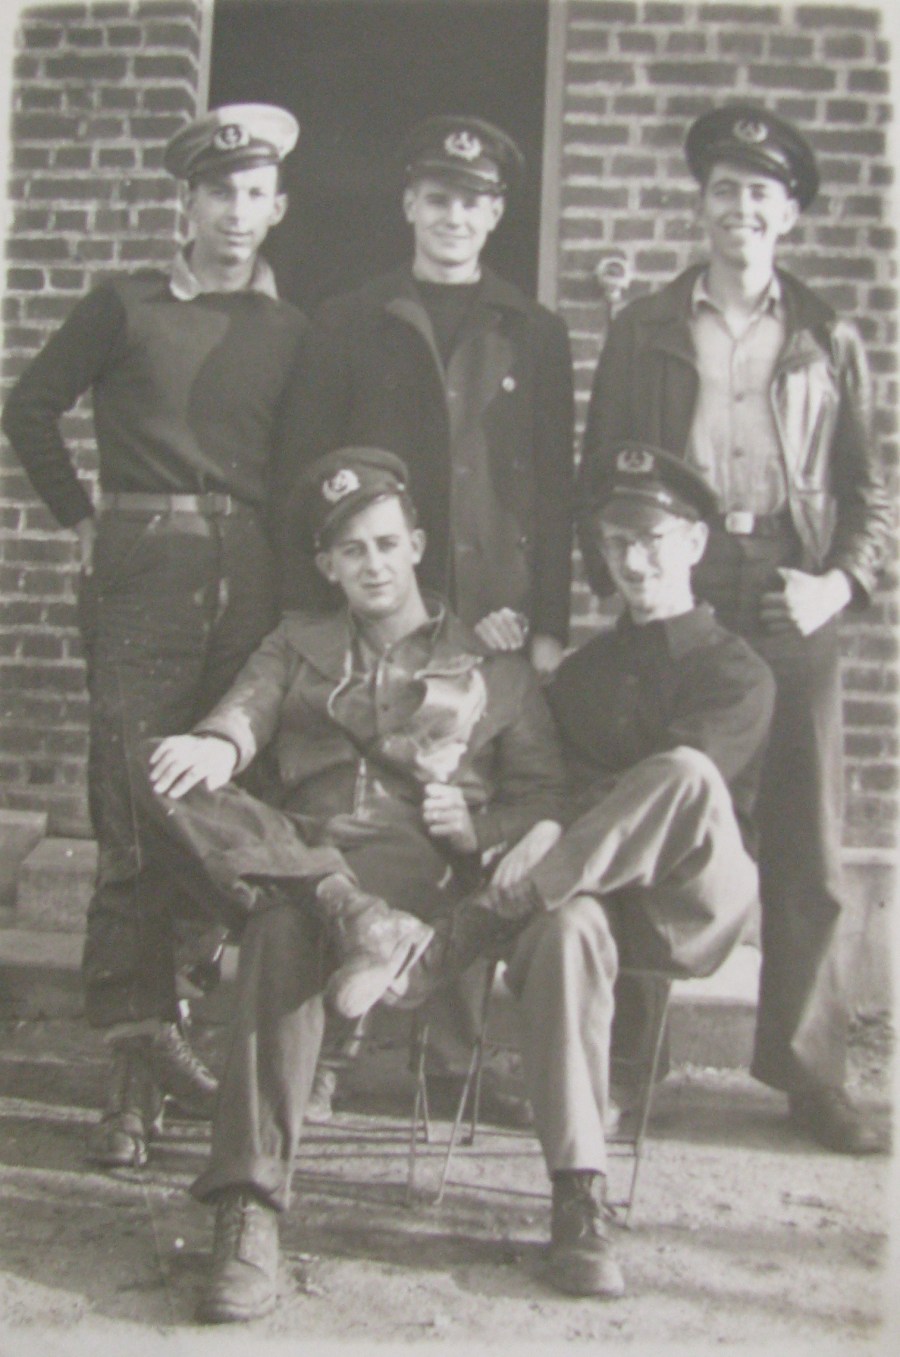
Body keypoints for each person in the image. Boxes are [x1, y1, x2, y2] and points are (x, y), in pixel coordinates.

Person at [135, 447, 565, 1322]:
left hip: (415, 885)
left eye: (385, 543)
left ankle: (247, 1209)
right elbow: (243, 717)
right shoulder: (295, 643)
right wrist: (215, 744)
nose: (372, 564)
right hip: (303, 856)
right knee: (155, 774)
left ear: (416, 544)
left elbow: (548, 796)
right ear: (326, 565)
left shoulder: (488, 662)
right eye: (350, 550)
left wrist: (480, 828)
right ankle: (346, 911)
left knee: (281, 932)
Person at [577, 103, 891, 1156]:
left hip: (790, 590)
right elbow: (599, 476)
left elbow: (870, 494)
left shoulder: (826, 334)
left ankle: (808, 1077)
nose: (740, 209)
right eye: (723, 190)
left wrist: (836, 584)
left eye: (761, 194)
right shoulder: (646, 327)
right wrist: (632, 588)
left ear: (788, 215)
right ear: (701, 206)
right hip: (683, 587)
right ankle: (630, 1062)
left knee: (805, 841)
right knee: (661, 804)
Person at [2, 103, 308, 1168]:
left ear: (278, 210)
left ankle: (168, 1036)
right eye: (216, 191)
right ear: (184, 204)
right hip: (143, 566)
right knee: (135, 810)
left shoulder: (287, 329)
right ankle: (130, 1084)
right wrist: (83, 519)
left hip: (252, 571)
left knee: (213, 808)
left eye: (254, 194)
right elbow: (29, 407)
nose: (235, 211)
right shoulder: (122, 305)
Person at [398, 443, 776, 1298]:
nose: (633, 561)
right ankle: (578, 1196)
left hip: (690, 902)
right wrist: (517, 806)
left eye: (652, 540)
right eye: (615, 543)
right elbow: (539, 779)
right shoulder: (582, 672)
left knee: (682, 772)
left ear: (695, 545)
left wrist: (550, 835)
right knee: (564, 928)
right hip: (593, 904)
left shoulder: (739, 670)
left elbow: (679, 797)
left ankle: (487, 919)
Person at [282, 113, 576, 1115]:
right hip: (381, 609)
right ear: (409, 203)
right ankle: (334, 1039)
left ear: (497, 215)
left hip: (483, 626)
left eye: (476, 201)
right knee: (376, 806)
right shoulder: (350, 317)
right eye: (438, 197)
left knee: (468, 816)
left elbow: (552, 484)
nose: (456, 216)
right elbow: (306, 471)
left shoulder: (530, 330)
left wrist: (538, 620)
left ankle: (450, 1058)